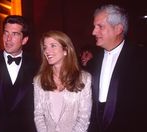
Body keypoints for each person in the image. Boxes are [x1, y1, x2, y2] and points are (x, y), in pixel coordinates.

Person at [88, 4, 147, 132]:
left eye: (100, 27)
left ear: (118, 29)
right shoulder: (93, 62)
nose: (93, 32)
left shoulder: (141, 59)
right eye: (94, 27)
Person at [0, 15, 38, 132]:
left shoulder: (37, 66)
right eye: (6, 33)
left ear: (24, 40)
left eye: (14, 34)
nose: (8, 39)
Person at [34, 30, 92, 132]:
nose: (47, 51)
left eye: (53, 45)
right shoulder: (39, 80)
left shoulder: (84, 78)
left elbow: (83, 117)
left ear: (65, 50)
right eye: (45, 47)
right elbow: (38, 115)